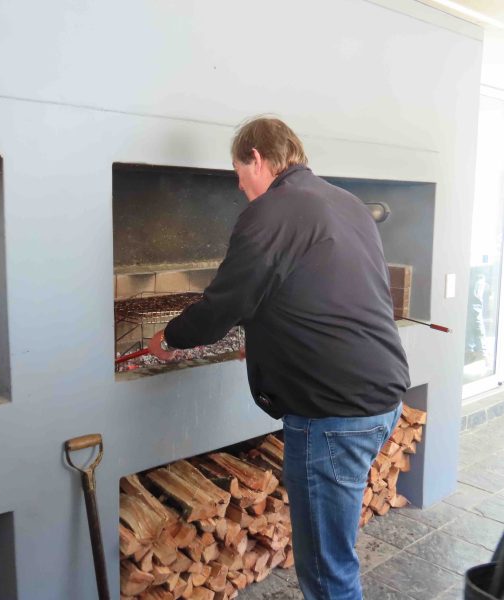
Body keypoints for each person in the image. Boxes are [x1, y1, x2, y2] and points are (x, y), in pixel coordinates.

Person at [148, 116, 410, 599]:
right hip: (383, 396)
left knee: (328, 573)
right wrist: (269, 335)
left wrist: (169, 338)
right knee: (333, 556)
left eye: (238, 172)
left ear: (256, 158)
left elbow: (225, 303)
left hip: (332, 413)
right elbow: (317, 288)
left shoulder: (272, 210)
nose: (239, 185)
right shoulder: (346, 203)